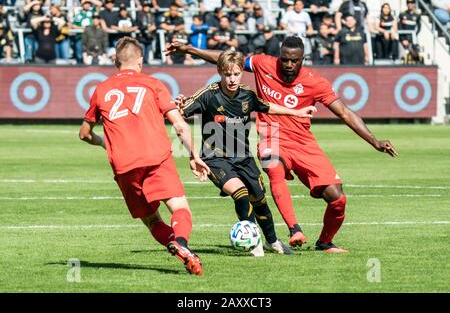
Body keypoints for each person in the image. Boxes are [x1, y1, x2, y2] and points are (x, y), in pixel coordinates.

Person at [165, 35, 398, 253]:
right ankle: (293, 229)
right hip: (271, 135)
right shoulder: (262, 63)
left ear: (302, 60)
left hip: (303, 143)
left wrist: (374, 140)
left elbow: (345, 113)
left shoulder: (315, 82)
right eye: (284, 59)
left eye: (293, 61)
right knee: (273, 169)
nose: (287, 64)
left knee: (337, 198)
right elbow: (226, 60)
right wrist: (191, 50)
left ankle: (324, 242)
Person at [79, 37, 209, 275]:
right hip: (156, 157)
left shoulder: (101, 89)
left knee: (152, 221)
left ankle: (182, 250)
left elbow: (85, 134)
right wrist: (194, 155)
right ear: (140, 61)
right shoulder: (152, 83)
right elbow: (179, 125)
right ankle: (181, 242)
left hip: (124, 165)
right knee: (181, 208)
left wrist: (104, 144)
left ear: (115, 61)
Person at [176, 50, 317, 256]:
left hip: (244, 158)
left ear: (242, 72)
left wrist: (297, 112)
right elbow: (181, 111)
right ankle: (254, 242)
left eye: (236, 74)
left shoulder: (247, 95)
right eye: (227, 74)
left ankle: (273, 241)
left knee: (260, 200)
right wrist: (178, 105)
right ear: (219, 72)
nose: (232, 79)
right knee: (241, 194)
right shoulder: (209, 94)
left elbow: (268, 107)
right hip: (215, 157)